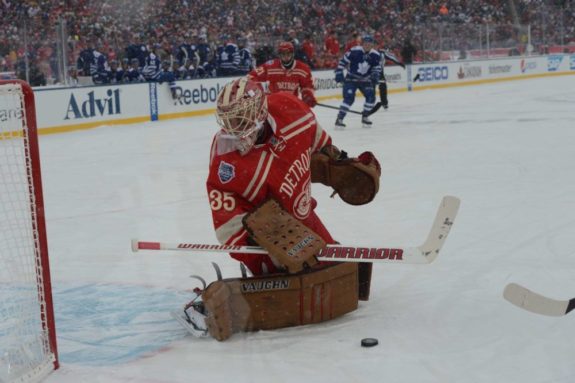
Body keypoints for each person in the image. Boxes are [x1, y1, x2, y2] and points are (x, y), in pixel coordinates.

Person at [175, 77, 381, 341]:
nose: (233, 128)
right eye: (227, 120)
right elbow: (222, 203)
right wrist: (261, 242)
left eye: (240, 118)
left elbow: (318, 142)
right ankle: (225, 301)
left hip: (302, 213)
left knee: (335, 273)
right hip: (262, 229)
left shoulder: (289, 109)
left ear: (260, 111)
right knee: (291, 285)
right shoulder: (225, 155)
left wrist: (337, 161)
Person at [248, 41, 317, 108]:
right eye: (283, 54)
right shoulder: (270, 66)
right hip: (272, 106)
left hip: (291, 105)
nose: (286, 57)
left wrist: (308, 95)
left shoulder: (302, 69)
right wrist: (257, 90)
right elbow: (251, 77)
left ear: (292, 54)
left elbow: (308, 86)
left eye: (288, 54)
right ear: (279, 55)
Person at [334, 34, 382, 129]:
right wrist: (339, 72)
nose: (367, 45)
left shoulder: (376, 55)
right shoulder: (354, 51)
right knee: (349, 99)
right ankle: (339, 119)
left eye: (369, 43)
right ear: (362, 43)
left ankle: (365, 116)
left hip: (365, 80)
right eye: (365, 43)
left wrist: (375, 75)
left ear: (372, 44)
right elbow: (343, 62)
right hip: (351, 79)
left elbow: (377, 68)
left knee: (371, 97)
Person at [377, 45, 405, 110]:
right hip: (370, 72)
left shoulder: (382, 52)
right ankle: (370, 102)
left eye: (376, 45)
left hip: (380, 72)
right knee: (369, 88)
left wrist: (399, 63)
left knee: (383, 87)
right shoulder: (368, 52)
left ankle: (384, 103)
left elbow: (391, 57)